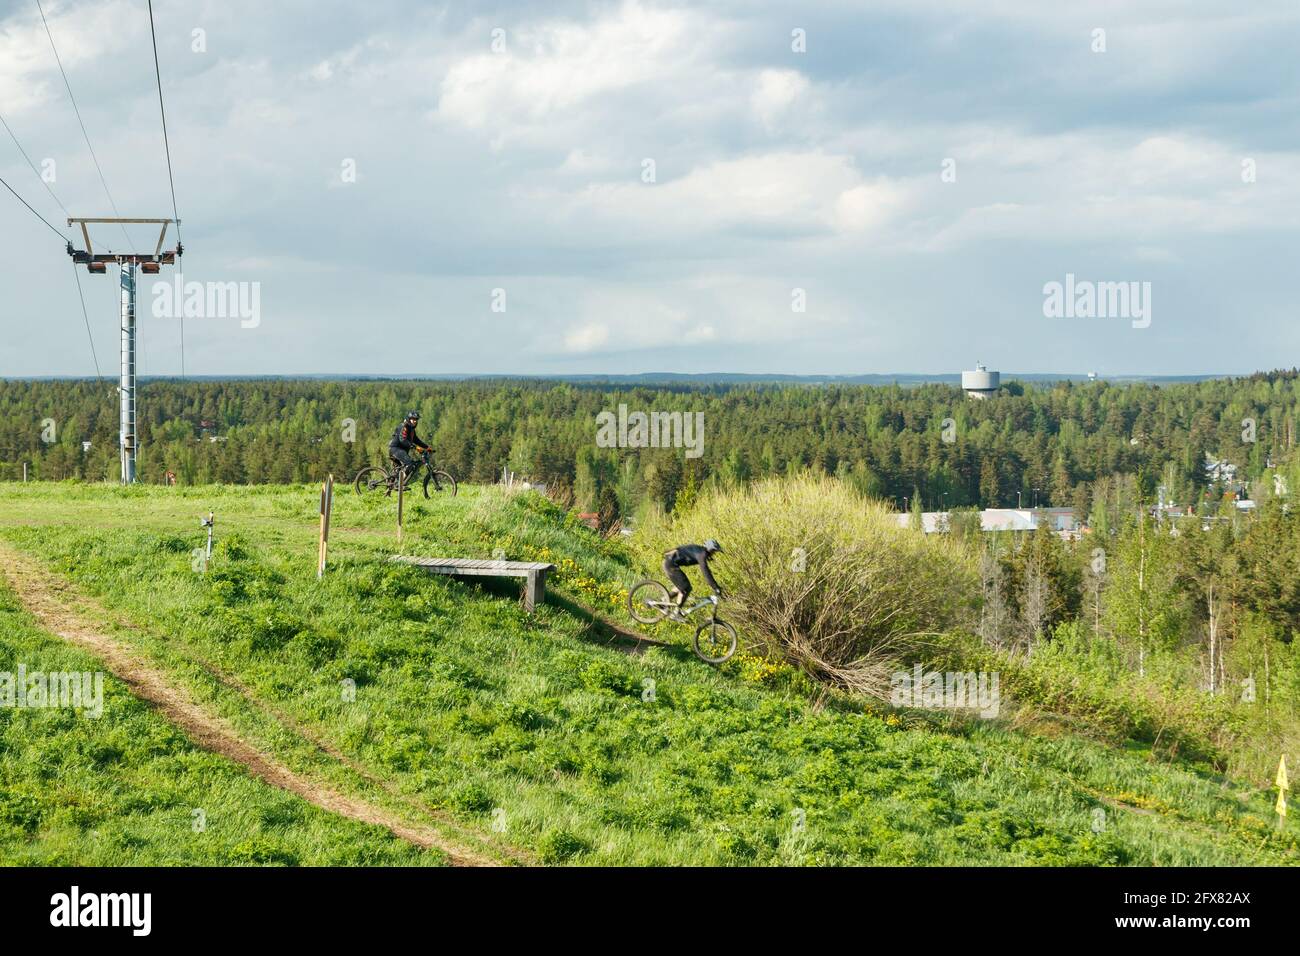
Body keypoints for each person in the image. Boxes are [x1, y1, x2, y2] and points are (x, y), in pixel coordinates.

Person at [662, 539, 724, 610]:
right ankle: (676, 613)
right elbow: (706, 572)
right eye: (714, 551)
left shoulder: (700, 551)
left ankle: (664, 600)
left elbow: (707, 571)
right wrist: (715, 587)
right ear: (709, 549)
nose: (714, 553)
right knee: (685, 588)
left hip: (670, 563)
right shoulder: (701, 554)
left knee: (683, 587)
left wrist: (715, 586)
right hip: (670, 564)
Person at [389, 410, 430, 480]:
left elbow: (416, 440)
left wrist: (427, 447)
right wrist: (415, 447)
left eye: (416, 419)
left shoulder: (411, 429)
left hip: (402, 451)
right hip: (396, 449)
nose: (415, 421)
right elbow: (403, 439)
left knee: (408, 466)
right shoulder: (404, 427)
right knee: (410, 464)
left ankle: (394, 483)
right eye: (413, 419)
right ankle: (400, 484)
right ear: (409, 419)